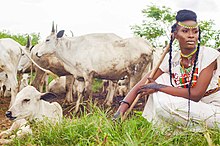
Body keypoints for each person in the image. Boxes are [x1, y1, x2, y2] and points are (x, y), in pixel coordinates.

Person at [115, 9, 220, 130]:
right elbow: (142, 84)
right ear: (175, 35)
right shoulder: (171, 60)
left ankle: (183, 129)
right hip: (189, 108)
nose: (191, 35)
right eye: (185, 31)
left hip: (213, 109)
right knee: (159, 78)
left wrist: (158, 87)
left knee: (164, 100)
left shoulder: (208, 55)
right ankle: (186, 131)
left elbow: (196, 94)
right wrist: (120, 111)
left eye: (195, 32)